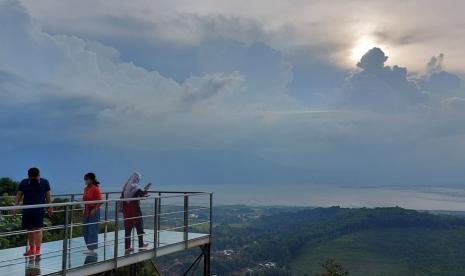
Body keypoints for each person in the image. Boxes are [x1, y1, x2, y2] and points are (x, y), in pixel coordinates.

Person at [14, 167, 52, 257]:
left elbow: (48, 195)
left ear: (39, 175)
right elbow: (19, 194)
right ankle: (31, 250)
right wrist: (15, 206)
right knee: (30, 230)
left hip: (39, 210)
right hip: (27, 209)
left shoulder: (44, 182)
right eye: (34, 178)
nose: (36, 179)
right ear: (29, 176)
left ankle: (38, 250)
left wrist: (50, 207)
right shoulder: (24, 182)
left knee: (38, 229)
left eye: (37, 177)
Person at [121, 172, 150, 253]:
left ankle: (127, 247)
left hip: (126, 210)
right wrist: (146, 190)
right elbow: (142, 194)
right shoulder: (136, 187)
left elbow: (123, 198)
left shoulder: (125, 187)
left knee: (128, 227)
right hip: (134, 209)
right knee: (139, 226)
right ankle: (141, 244)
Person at [82, 172, 102, 255]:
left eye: (87, 179)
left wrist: (95, 209)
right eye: (85, 179)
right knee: (85, 229)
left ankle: (92, 249)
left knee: (92, 229)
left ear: (91, 179)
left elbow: (100, 201)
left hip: (94, 210)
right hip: (86, 210)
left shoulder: (95, 189)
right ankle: (88, 247)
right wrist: (84, 208)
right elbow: (84, 199)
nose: (86, 181)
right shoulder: (85, 189)